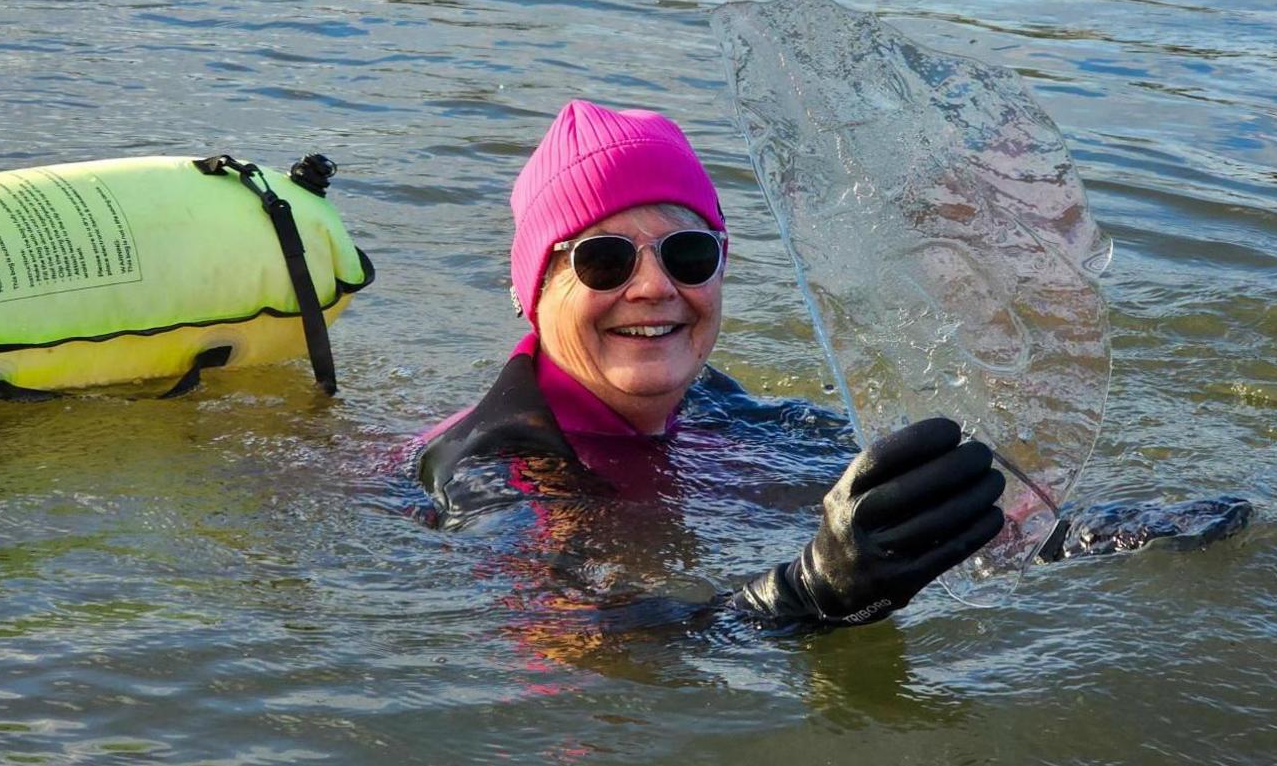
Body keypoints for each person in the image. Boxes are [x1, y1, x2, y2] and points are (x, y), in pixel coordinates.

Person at [415, 99, 1008, 628]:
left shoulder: (717, 408)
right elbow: (590, 639)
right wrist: (809, 595)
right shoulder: (492, 470)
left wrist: (1050, 530)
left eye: (688, 253)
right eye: (603, 261)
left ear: (723, 266)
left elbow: (893, 502)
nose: (653, 286)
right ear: (535, 289)